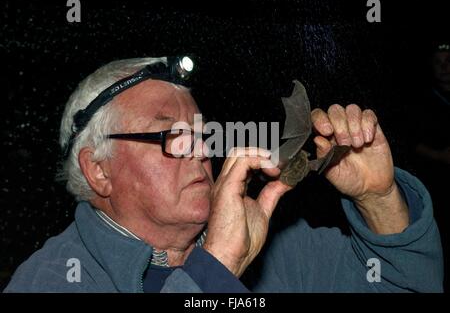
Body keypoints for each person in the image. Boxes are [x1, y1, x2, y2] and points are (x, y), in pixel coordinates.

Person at [4, 56, 443, 292]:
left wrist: (380, 199)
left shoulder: (274, 246)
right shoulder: (56, 279)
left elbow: (403, 286)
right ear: (99, 171)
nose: (200, 149)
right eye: (170, 136)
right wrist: (216, 271)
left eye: (201, 132)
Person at [409, 41, 450, 291]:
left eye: (449, 61)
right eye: (439, 62)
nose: (445, 67)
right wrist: (439, 156)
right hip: (438, 189)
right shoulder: (422, 103)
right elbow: (409, 142)